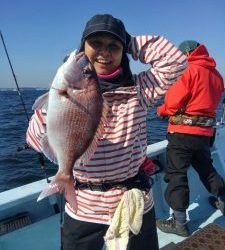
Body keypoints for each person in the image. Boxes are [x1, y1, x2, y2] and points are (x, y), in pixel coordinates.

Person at [26, 14, 187, 250]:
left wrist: (129, 41)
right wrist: (54, 107)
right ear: (82, 48)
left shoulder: (140, 90)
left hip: (135, 202)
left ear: (124, 53)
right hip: (84, 207)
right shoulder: (62, 90)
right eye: (96, 44)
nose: (105, 52)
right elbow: (33, 139)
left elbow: (176, 62)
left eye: (114, 46)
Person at [156, 40, 225, 237]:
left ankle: (179, 223)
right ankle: (223, 199)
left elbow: (172, 102)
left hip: (182, 134)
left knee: (177, 174)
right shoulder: (217, 74)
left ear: (186, 54)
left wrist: (161, 110)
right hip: (205, 134)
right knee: (207, 169)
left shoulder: (187, 70)